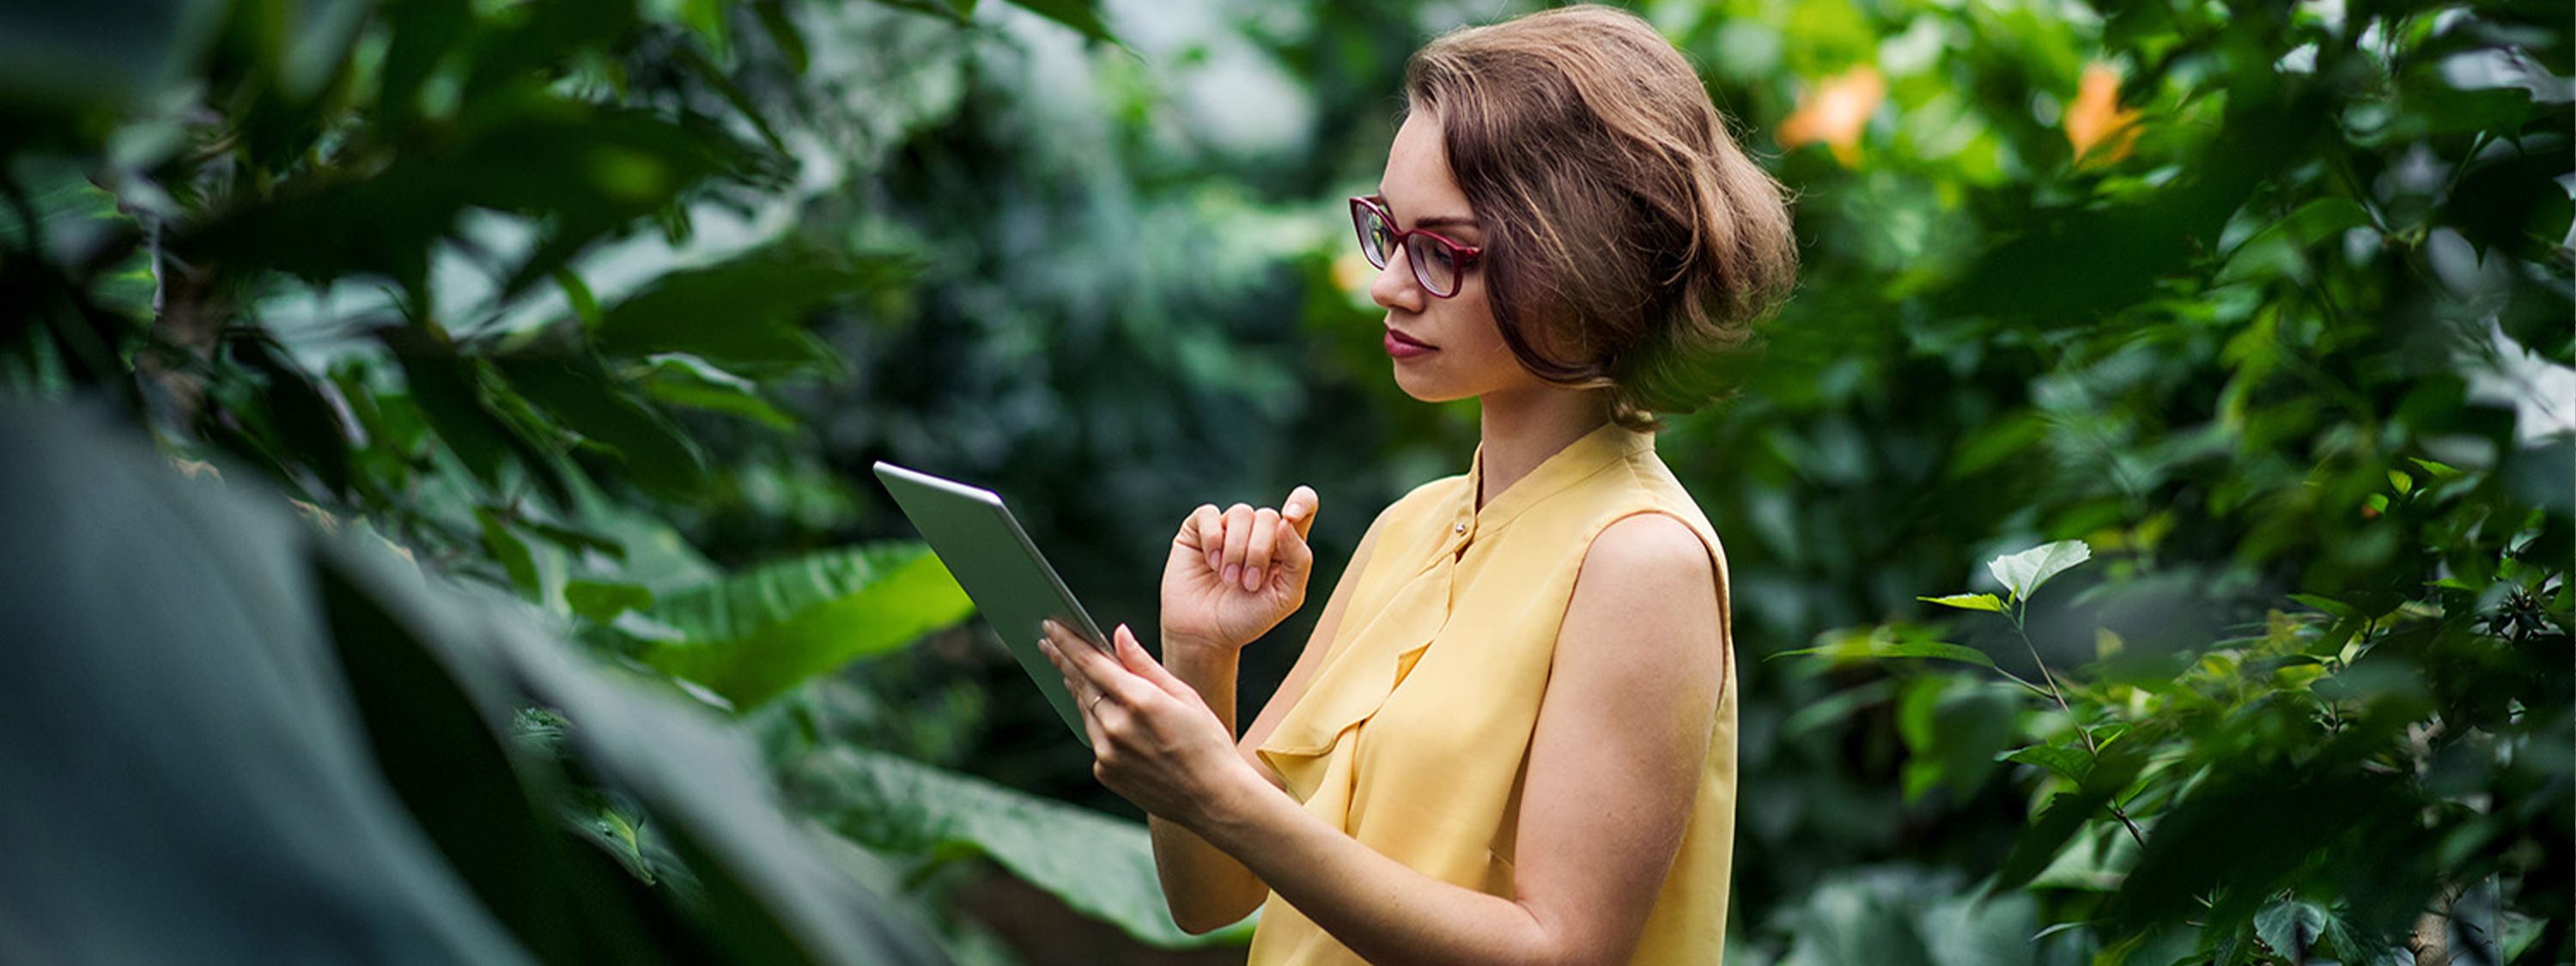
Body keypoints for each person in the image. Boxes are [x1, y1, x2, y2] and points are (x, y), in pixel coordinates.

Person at [1035, 5, 1800, 963]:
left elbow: (1560, 951)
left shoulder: (1642, 559)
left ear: (1581, 254)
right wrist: (1201, 659)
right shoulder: (1418, 525)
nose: (1389, 284)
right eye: (1387, 233)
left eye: (1443, 250)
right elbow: (1210, 891)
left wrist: (1219, 792)